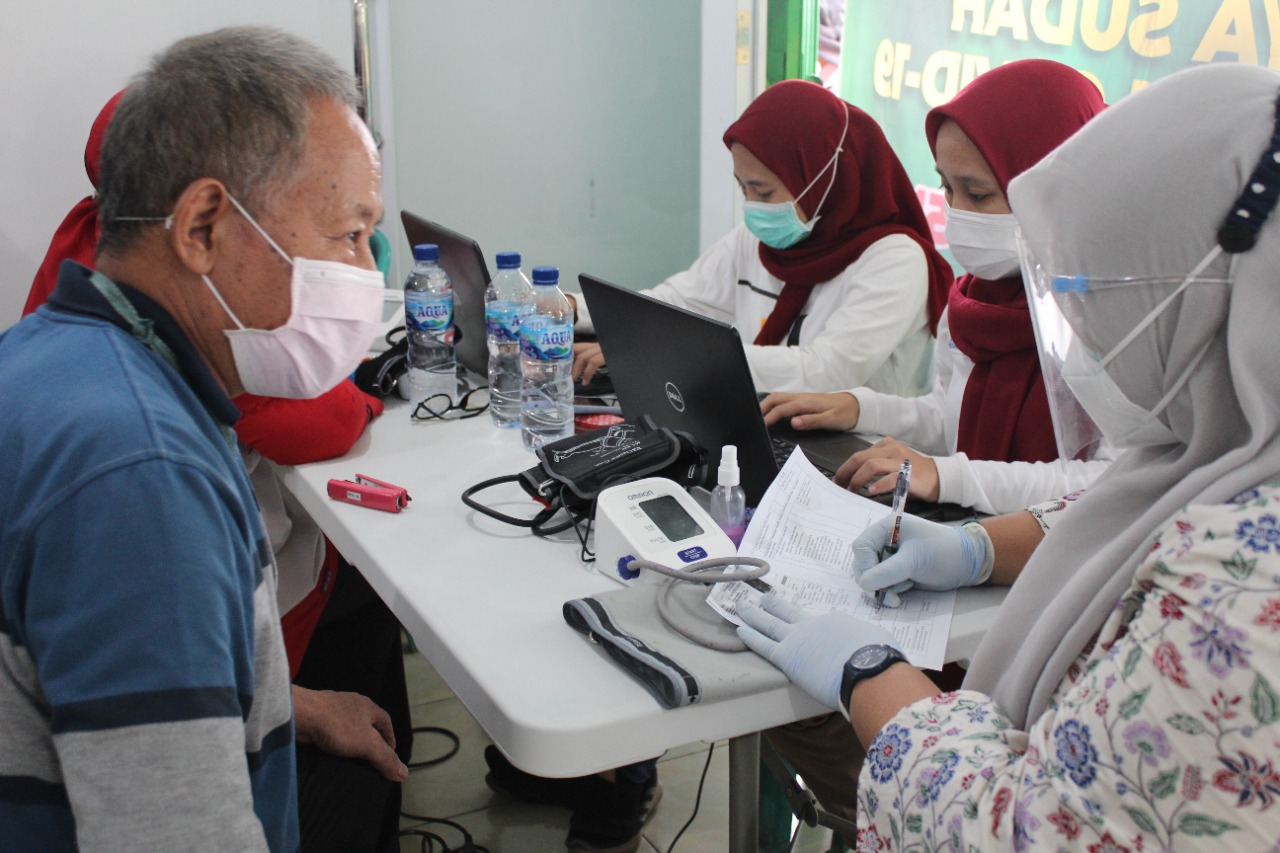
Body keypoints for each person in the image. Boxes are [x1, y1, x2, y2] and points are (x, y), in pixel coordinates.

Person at [737, 62, 1280, 849]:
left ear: (1202, 294)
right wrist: (981, 544)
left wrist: (868, 675)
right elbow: (1122, 495)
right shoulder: (1226, 457)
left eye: (1096, 294)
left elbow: (1017, 830)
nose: (1085, 330)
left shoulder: (1229, 599)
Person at [0, 27, 391, 850]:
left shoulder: (59, 353)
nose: (365, 275)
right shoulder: (142, 473)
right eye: (348, 234)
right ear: (204, 225)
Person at [762, 59, 1112, 517]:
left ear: (1054, 189)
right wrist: (859, 408)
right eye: (947, 188)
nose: (958, 212)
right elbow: (951, 417)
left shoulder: (1112, 317)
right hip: (972, 534)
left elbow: (1113, 481)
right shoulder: (974, 300)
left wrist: (948, 475)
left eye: (978, 194)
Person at [571, 78, 952, 395]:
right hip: (769, 427)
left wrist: (657, 351)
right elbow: (676, 303)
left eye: (764, 191)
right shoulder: (756, 241)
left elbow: (826, 371)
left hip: (860, 457)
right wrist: (571, 309)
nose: (753, 207)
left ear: (822, 180)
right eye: (743, 189)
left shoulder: (896, 260)